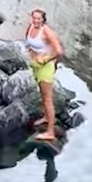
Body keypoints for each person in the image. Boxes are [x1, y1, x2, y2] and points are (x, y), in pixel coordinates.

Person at [25, 8, 63, 142]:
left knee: (47, 99)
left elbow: (58, 51)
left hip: (45, 68)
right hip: (35, 66)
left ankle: (50, 132)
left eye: (38, 18)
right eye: (34, 18)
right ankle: (46, 118)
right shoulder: (30, 27)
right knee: (42, 94)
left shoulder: (46, 31)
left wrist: (45, 60)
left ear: (43, 20)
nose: (36, 20)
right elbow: (29, 43)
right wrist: (30, 53)